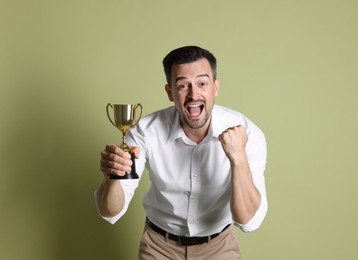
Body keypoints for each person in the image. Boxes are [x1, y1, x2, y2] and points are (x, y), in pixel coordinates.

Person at [95, 45, 268, 259]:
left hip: (219, 247)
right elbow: (109, 211)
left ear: (215, 87)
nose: (194, 95)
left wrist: (238, 158)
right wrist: (114, 175)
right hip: (159, 247)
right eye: (183, 85)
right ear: (170, 93)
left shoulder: (247, 133)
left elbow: (248, 221)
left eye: (202, 84)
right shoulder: (145, 131)